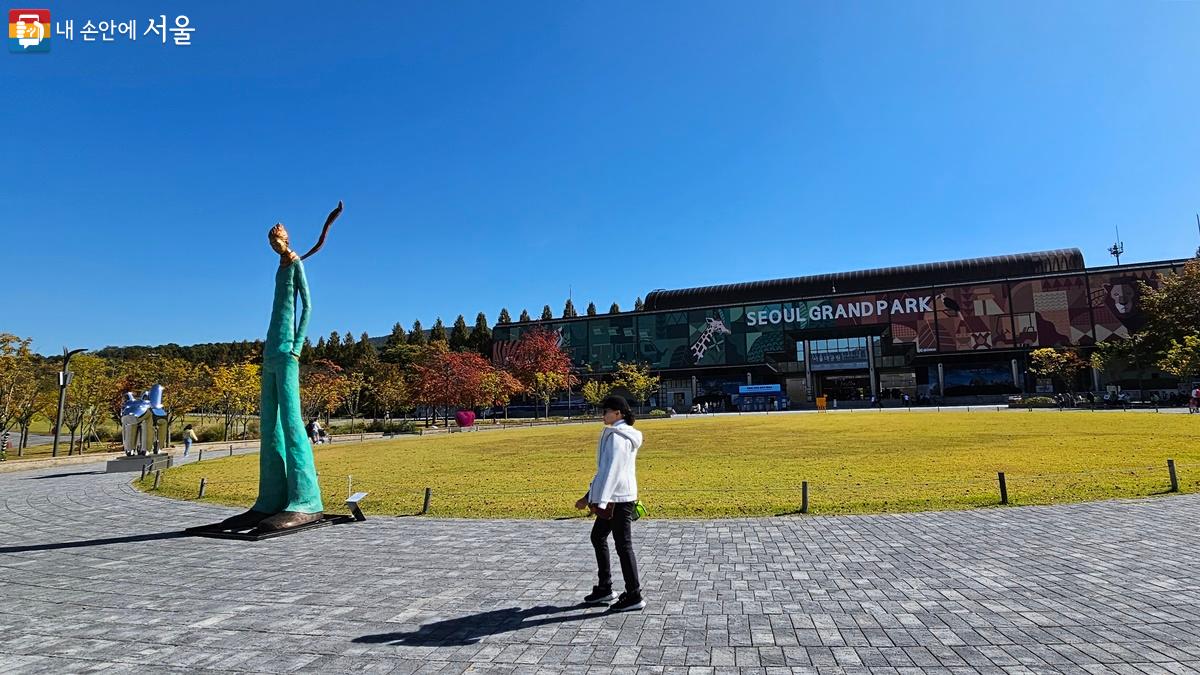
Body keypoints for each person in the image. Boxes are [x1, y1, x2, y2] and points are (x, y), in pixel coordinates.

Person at [575, 395, 645, 612]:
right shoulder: (615, 434)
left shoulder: (619, 437)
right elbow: (605, 471)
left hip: (618, 499)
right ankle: (605, 588)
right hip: (613, 497)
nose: (602, 414)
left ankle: (634, 594)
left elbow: (613, 471)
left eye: (606, 411)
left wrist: (600, 500)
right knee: (598, 537)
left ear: (619, 413)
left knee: (623, 545)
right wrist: (590, 496)